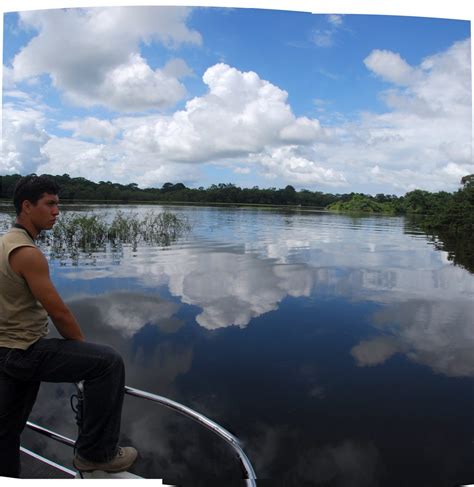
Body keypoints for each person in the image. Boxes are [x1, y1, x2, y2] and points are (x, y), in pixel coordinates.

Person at [0, 174, 137, 478]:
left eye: (57, 204)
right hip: (23, 351)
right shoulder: (27, 253)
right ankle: (94, 454)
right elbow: (59, 314)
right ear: (27, 206)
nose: (56, 211)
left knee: (6, 433)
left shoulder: (4, 242)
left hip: (4, 350)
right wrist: (82, 352)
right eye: (49, 204)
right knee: (107, 363)